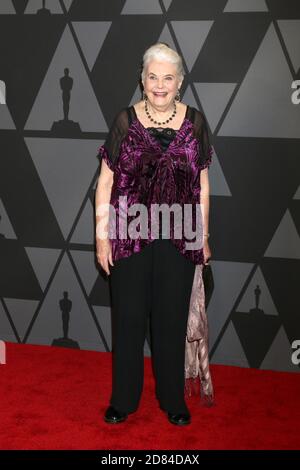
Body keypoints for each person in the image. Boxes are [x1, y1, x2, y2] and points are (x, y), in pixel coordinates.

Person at [95, 42, 214, 426]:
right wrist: (102, 237)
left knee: (170, 319)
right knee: (128, 319)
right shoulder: (125, 122)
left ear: (179, 82)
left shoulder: (195, 122)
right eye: (152, 77)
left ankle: (172, 400)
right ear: (142, 80)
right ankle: (123, 401)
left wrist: (204, 235)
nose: (159, 85)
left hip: (180, 234)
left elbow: (203, 183)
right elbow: (106, 180)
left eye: (167, 78)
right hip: (129, 232)